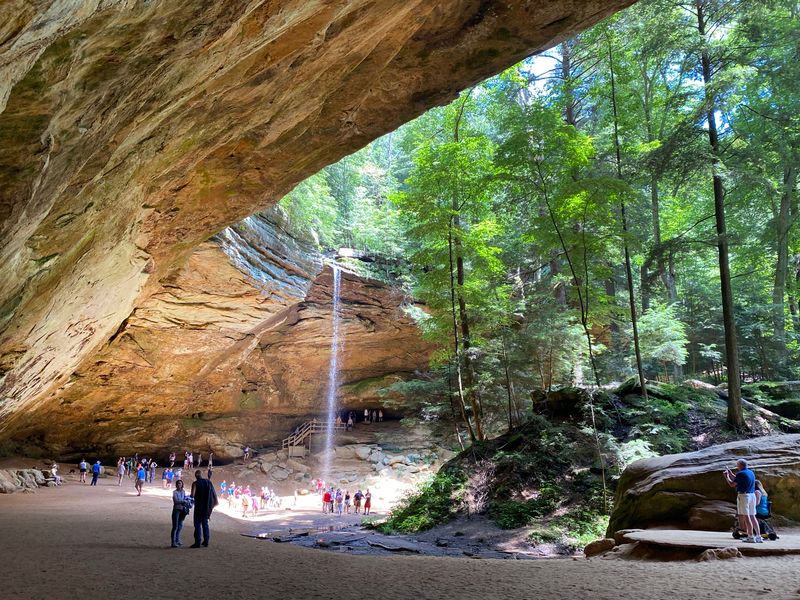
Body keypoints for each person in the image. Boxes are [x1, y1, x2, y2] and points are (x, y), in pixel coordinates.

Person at [724, 459, 761, 543]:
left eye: (737, 464)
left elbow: (732, 484)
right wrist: (731, 474)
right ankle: (758, 536)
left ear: (740, 465)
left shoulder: (740, 474)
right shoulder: (750, 472)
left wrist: (726, 477)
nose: (736, 466)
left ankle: (750, 536)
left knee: (746, 516)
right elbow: (737, 479)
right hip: (752, 495)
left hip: (744, 496)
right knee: (752, 516)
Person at [190, 470, 218, 548]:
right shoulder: (208, 482)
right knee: (205, 524)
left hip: (198, 507)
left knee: (197, 524)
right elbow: (212, 493)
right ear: (201, 475)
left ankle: (197, 542)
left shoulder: (195, 483)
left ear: (196, 476)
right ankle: (206, 541)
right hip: (206, 507)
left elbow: (192, 495)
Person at [170, 479, 191, 547]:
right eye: (178, 483)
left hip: (182, 511)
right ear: (176, 485)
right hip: (176, 510)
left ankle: (177, 540)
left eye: (180, 483)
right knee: (175, 526)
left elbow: (183, 499)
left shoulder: (183, 492)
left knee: (180, 526)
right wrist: (183, 501)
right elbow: (175, 501)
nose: (179, 485)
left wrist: (186, 500)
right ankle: (173, 542)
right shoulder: (174, 492)